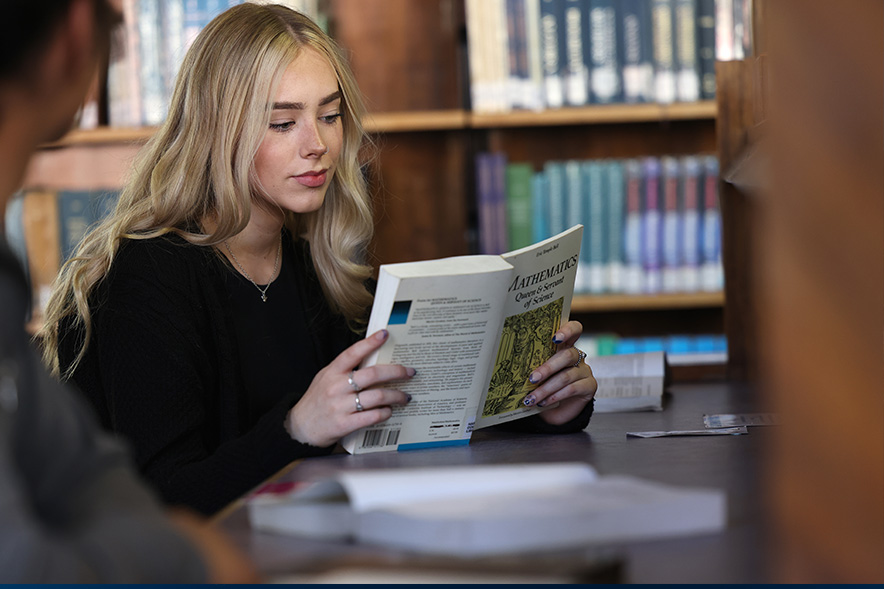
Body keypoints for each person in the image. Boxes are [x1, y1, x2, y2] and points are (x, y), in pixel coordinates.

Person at [40, 3, 598, 517]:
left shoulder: (313, 263)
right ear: (217, 133)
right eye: (283, 123)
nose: (318, 145)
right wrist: (296, 427)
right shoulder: (143, 279)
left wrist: (543, 406)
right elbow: (161, 502)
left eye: (329, 116)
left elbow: (396, 425)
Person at [0, 0, 257, 582]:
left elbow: (81, 471)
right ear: (73, 36)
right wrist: (186, 556)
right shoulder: (147, 276)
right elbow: (22, 569)